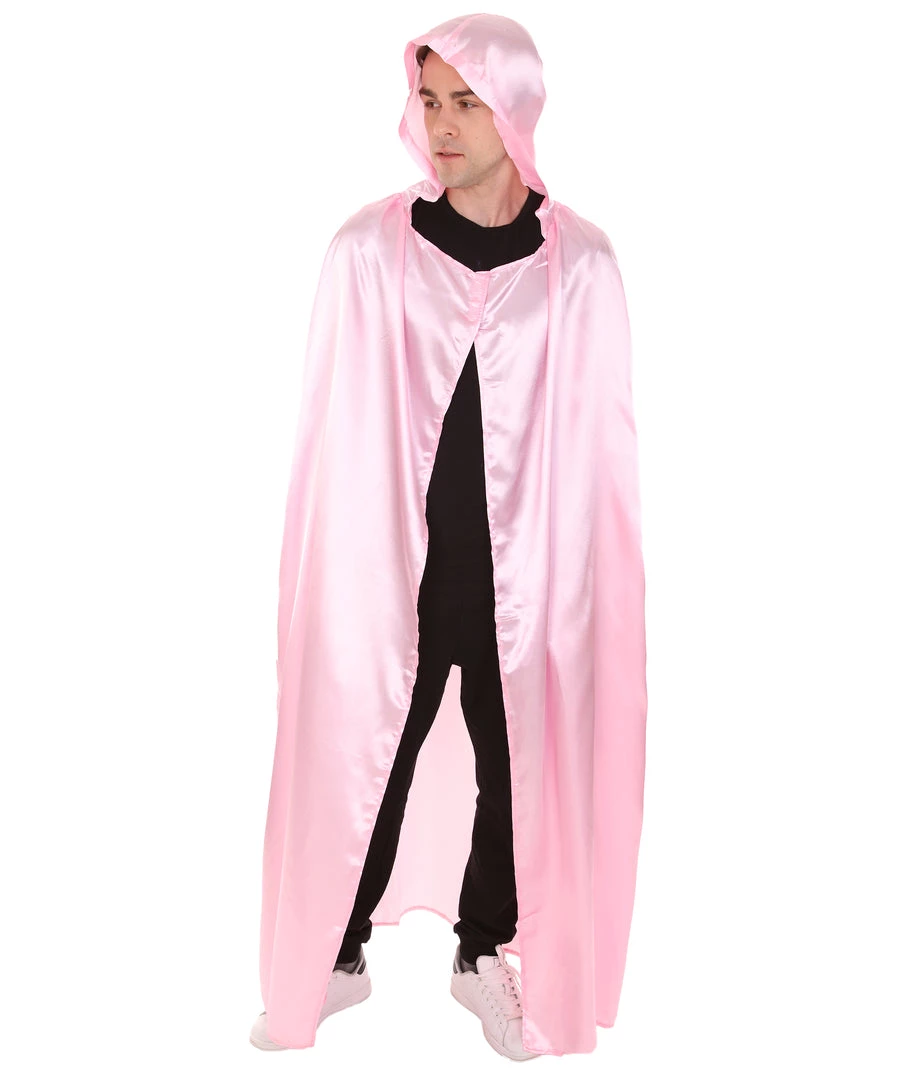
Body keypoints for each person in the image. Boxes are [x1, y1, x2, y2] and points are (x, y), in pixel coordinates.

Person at [252, 13, 647, 1061]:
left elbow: (597, 455)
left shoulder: (580, 265)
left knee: (517, 768)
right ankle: (334, 952)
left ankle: (483, 953)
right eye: (429, 100)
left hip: (530, 575)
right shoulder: (368, 251)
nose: (443, 125)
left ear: (514, 107)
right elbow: (332, 437)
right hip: (390, 570)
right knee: (368, 754)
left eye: (466, 102)